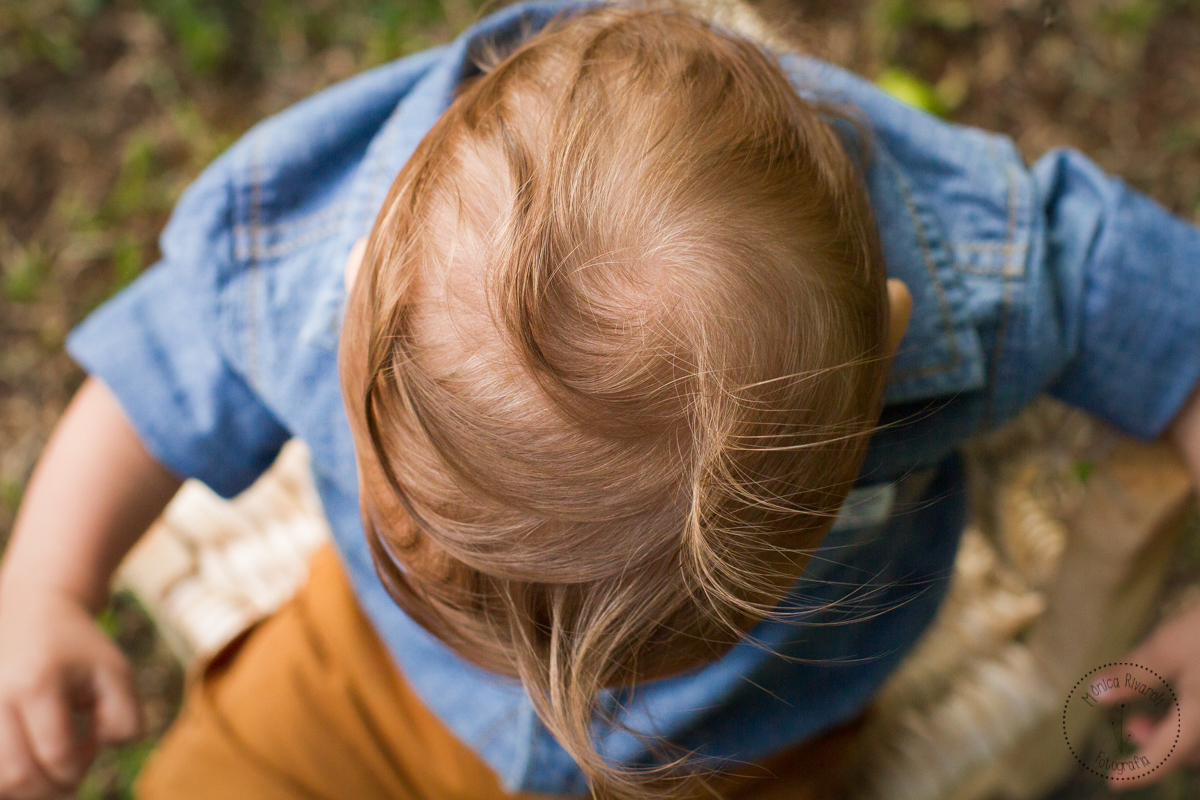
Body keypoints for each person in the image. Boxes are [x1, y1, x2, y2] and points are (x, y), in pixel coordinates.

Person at [1, 1, 1199, 797]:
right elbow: (160, 363)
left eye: (656, 627)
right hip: (370, 675)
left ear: (888, 346)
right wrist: (46, 584)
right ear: (358, 293)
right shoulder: (315, 252)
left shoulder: (979, 280)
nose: (554, 695)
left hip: (741, 743)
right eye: (446, 572)